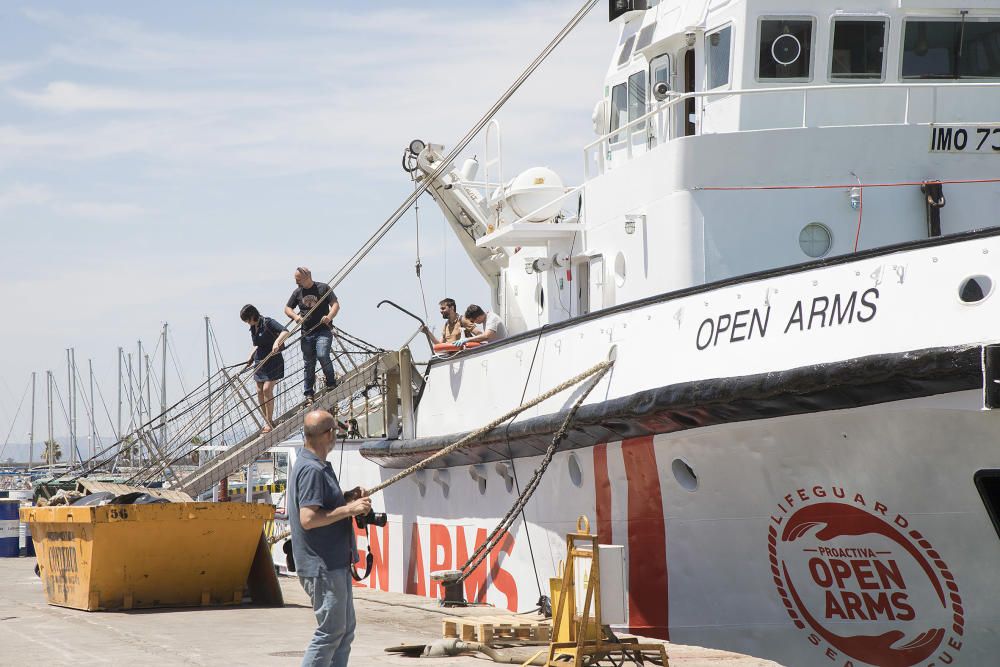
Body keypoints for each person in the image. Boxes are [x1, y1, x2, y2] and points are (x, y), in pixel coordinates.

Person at [289, 409, 372, 667]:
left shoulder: (316, 465)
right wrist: (350, 509)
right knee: (331, 632)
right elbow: (309, 518)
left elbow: (321, 505)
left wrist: (346, 497)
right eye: (335, 430)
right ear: (327, 435)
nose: (336, 435)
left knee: (344, 631)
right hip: (322, 566)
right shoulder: (312, 469)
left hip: (334, 562)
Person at [285, 267, 339, 404]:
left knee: (322, 355)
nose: (296, 282)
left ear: (307, 276)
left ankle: (331, 382)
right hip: (306, 333)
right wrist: (296, 317)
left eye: (298, 279)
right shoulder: (297, 292)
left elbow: (335, 305)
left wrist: (329, 316)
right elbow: (287, 308)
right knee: (309, 364)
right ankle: (309, 393)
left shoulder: (323, 288)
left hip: (323, 330)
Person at [241, 304, 291, 433]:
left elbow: (285, 331)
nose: (247, 323)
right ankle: (267, 420)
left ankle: (269, 421)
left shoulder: (268, 322)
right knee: (259, 391)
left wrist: (276, 342)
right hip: (259, 361)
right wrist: (250, 356)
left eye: (247, 320)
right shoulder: (253, 328)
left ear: (252, 315)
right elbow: (257, 345)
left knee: (267, 389)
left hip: (273, 359)